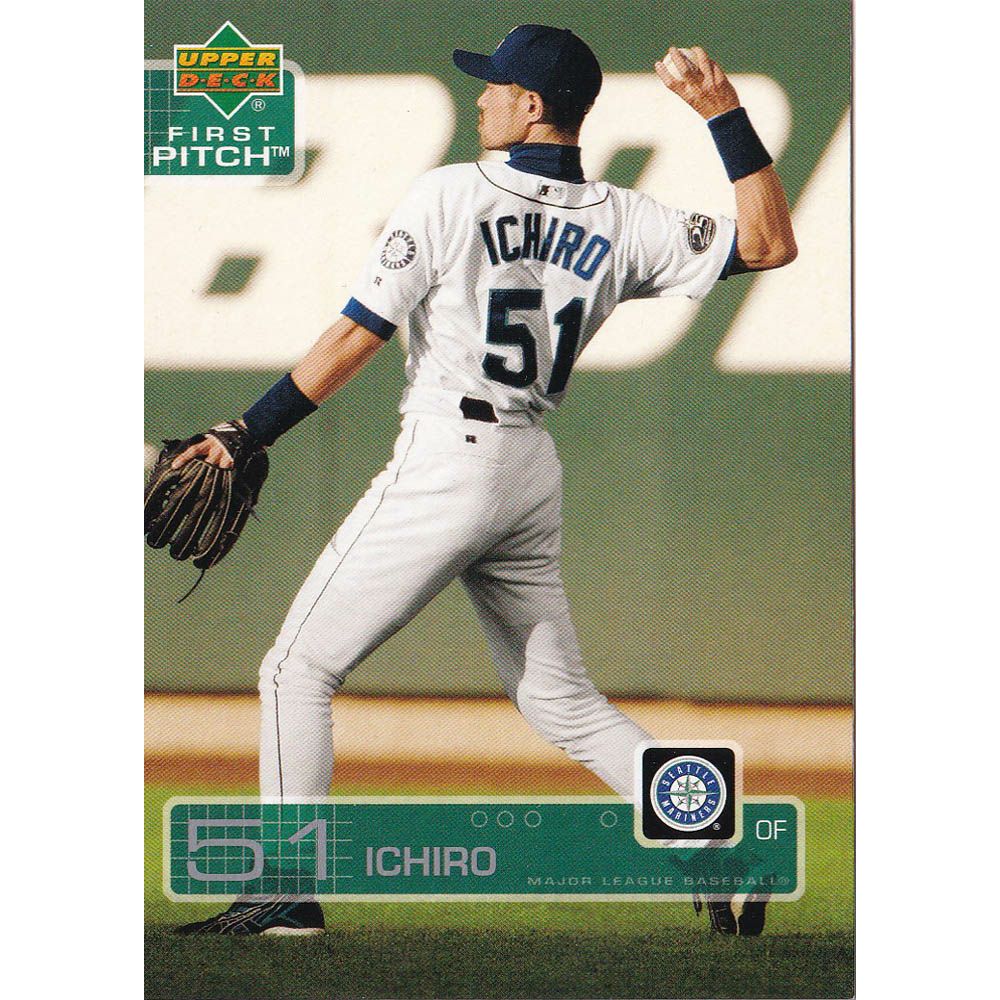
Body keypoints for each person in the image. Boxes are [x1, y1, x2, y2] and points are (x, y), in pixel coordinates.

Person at [173, 25, 796, 936]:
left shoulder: (450, 194)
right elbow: (770, 243)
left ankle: (284, 894)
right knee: (561, 701)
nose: (482, 97)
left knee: (295, 668)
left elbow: (355, 335)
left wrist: (248, 430)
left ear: (532, 105)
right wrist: (724, 114)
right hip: (527, 469)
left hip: (448, 458)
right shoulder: (626, 218)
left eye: (496, 85)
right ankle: (721, 847)